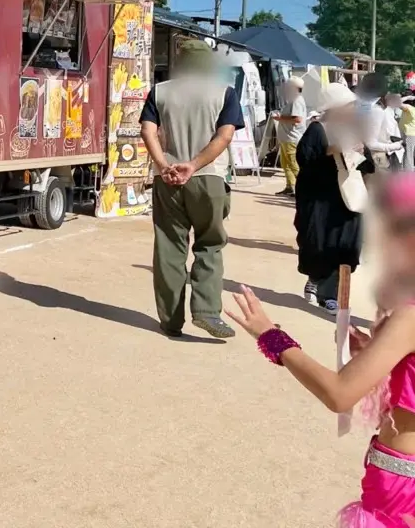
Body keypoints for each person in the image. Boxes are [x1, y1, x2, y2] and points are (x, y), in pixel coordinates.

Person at [226, 173, 415, 528]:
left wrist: (272, 338)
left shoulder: (410, 317)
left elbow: (339, 394)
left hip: (401, 491)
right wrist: (381, 356)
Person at [140, 38, 245, 340]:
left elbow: (147, 130)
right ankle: (207, 311)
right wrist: (194, 164)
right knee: (209, 245)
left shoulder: (160, 91)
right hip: (208, 177)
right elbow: (225, 136)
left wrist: (162, 165)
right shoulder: (225, 93)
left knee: (169, 247)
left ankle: (171, 321)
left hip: (168, 179)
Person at [295, 81, 368, 311]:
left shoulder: (355, 129)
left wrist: (361, 155)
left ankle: (330, 290)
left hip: (347, 198)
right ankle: (320, 284)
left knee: (346, 246)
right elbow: (305, 161)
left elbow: (368, 166)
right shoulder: (317, 129)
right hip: (320, 200)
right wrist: (331, 151)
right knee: (320, 245)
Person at [272, 76, 308, 196]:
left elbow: (297, 119)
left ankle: (304, 188)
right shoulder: (293, 100)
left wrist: (279, 118)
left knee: (293, 164)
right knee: (285, 163)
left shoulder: (297, 100)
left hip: (292, 137)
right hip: (286, 137)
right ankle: (290, 186)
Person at [402, 96, 415, 173]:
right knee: (409, 153)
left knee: (408, 154)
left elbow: (398, 103)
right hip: (411, 134)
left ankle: (408, 173)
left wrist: (408, 97)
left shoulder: (410, 109)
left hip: (409, 134)